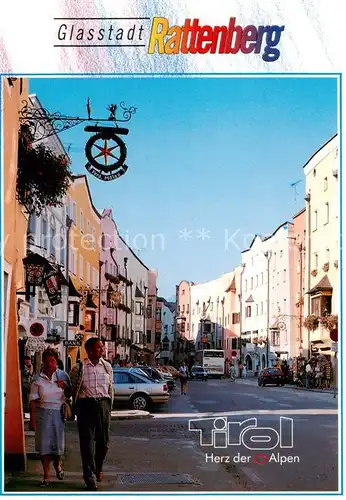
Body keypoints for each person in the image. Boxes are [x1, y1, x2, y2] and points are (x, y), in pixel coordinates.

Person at [70, 337, 114, 491]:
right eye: (99, 347)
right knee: (87, 444)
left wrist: (109, 406)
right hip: (86, 405)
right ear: (89, 350)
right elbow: (73, 389)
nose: (102, 350)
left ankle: (98, 467)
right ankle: (90, 478)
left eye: (102, 347)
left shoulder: (107, 367)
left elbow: (110, 388)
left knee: (104, 442)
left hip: (103, 404)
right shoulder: (79, 368)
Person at [29, 348, 71, 487]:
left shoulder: (63, 375)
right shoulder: (37, 378)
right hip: (43, 413)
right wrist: (33, 420)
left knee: (58, 445)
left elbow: (71, 392)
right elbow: (33, 401)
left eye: (52, 361)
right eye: (47, 361)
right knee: (44, 446)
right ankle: (46, 475)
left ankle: (58, 465)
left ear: (56, 361)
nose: (50, 364)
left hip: (58, 413)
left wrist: (64, 386)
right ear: (43, 362)